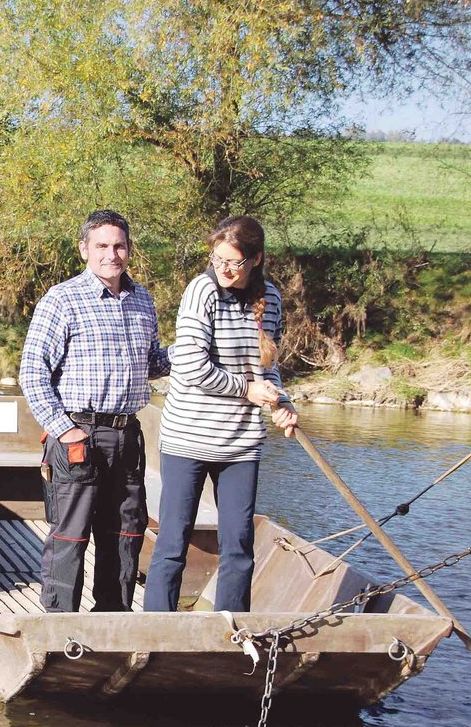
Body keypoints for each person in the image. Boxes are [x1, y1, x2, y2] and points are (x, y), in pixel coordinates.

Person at [143, 215, 298, 614]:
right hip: (188, 438)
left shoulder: (272, 300)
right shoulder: (202, 291)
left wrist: (282, 402)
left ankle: (229, 632)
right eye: (217, 259)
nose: (224, 269)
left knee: (239, 546)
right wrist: (247, 390)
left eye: (234, 262)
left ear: (256, 260)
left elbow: (266, 367)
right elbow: (191, 366)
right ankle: (157, 628)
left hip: (241, 444)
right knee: (173, 542)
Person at [19, 209, 172, 613]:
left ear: (129, 249)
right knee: (70, 534)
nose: (112, 254)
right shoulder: (62, 299)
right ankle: (59, 622)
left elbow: (153, 363)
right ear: (84, 249)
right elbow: (33, 374)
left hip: (128, 437)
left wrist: (191, 348)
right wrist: (65, 431)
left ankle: (112, 620)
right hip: (78, 435)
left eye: (119, 245)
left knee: (125, 532)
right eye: (102, 245)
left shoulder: (142, 300)